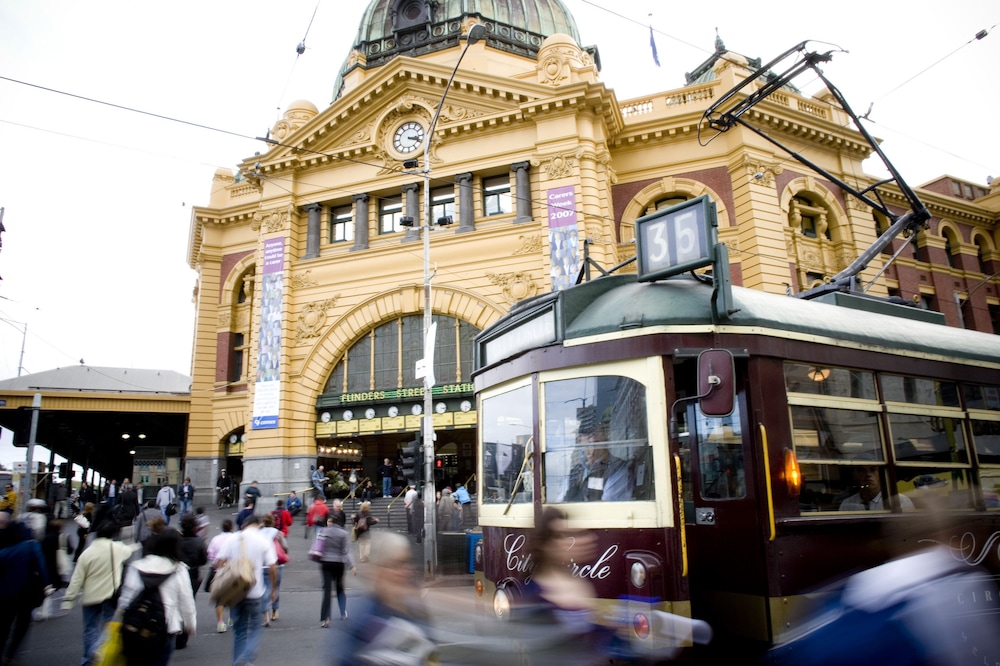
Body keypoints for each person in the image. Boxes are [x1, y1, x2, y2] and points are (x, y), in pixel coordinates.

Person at [327, 531, 432, 665]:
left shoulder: (414, 608)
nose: (405, 571)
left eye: (407, 563)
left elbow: (429, 655)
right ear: (377, 570)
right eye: (395, 565)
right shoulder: (363, 617)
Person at [60, 520, 139, 666]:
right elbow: (130, 550)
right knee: (108, 624)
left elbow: (77, 579)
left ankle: (87, 659)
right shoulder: (117, 548)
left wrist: (68, 599)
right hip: (110, 594)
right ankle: (99, 650)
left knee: (89, 628)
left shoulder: (87, 553)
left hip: (91, 595)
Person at [116, 529, 197, 666]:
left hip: (135, 625)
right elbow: (186, 600)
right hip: (164, 626)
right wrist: (190, 624)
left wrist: (124, 616)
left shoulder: (136, 567)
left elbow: (126, 598)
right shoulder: (179, 569)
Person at [215, 514, 278, 666]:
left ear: (244, 525)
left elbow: (219, 562)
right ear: (259, 525)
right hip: (255, 591)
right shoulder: (263, 540)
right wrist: (273, 589)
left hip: (235, 592)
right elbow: (272, 567)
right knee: (256, 628)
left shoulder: (232, 538)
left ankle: (237, 662)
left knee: (239, 631)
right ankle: (246, 657)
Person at [0, 510, 51, 666]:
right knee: (21, 626)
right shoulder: (32, 546)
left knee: (4, 627)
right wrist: (47, 584)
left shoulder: (4, 552)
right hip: (26, 594)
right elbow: (42, 566)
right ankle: (10, 655)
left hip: (5, 595)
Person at [315, 513, 356, 627]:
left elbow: (318, 546)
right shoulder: (343, 533)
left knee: (327, 590)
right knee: (340, 588)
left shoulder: (323, 531)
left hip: (326, 562)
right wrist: (352, 565)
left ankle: (326, 618)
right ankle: (343, 612)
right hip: (339, 562)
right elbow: (346, 551)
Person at [175, 514, 207, 650]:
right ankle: (182, 637)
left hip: (176, 574)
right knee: (188, 602)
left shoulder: (177, 540)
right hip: (193, 575)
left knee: (175, 603)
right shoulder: (199, 542)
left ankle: (175, 630)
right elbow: (203, 560)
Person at [564, 442, 632, 502]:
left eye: (596, 444)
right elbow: (562, 501)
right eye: (588, 445)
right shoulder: (576, 471)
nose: (592, 451)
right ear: (580, 441)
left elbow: (607, 505)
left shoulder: (617, 468)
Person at [839, 465, 916, 511]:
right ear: (854, 475)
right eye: (862, 470)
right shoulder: (847, 504)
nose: (868, 474)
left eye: (873, 469)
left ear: (881, 474)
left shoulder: (900, 501)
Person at [206, 519, 236, 634]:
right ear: (232, 527)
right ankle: (232, 619)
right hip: (233, 570)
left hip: (219, 571)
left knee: (219, 598)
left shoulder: (215, 539)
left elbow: (210, 554)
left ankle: (220, 622)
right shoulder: (235, 539)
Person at [259, 514, 288, 625]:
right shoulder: (277, 533)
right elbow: (285, 547)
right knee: (276, 588)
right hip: (276, 564)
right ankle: (275, 611)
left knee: (264, 589)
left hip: (263, 564)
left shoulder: (259, 533)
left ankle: (265, 614)